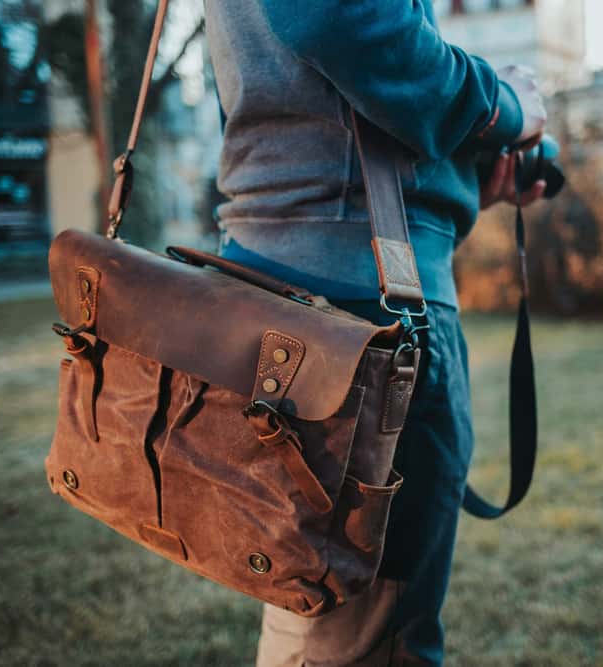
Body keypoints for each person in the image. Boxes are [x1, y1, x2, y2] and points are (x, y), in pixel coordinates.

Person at [203, 2, 548, 664]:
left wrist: (453, 181)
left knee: (313, 611)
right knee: (368, 637)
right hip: (366, 310)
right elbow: (336, 18)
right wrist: (503, 107)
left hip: (297, 283)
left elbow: (305, 94)